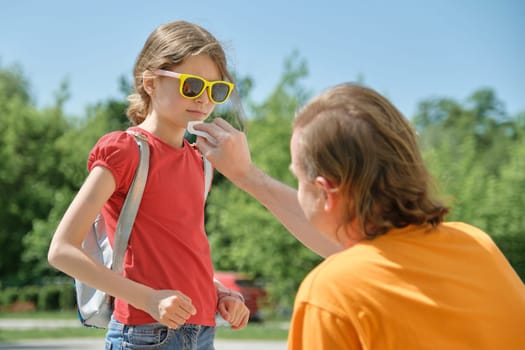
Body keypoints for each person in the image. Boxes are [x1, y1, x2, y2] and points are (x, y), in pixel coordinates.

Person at [192, 83, 525, 349]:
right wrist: (248, 176)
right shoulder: (475, 245)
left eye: (298, 178)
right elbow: (372, 260)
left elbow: (359, 268)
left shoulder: (332, 293)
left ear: (325, 191)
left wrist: (249, 177)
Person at [48, 20, 249, 350]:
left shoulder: (201, 161)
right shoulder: (125, 151)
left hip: (202, 330)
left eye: (216, 89)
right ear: (151, 82)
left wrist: (219, 293)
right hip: (145, 334)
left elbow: (177, 255)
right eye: (191, 85)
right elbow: (62, 251)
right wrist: (150, 299)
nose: (204, 98)